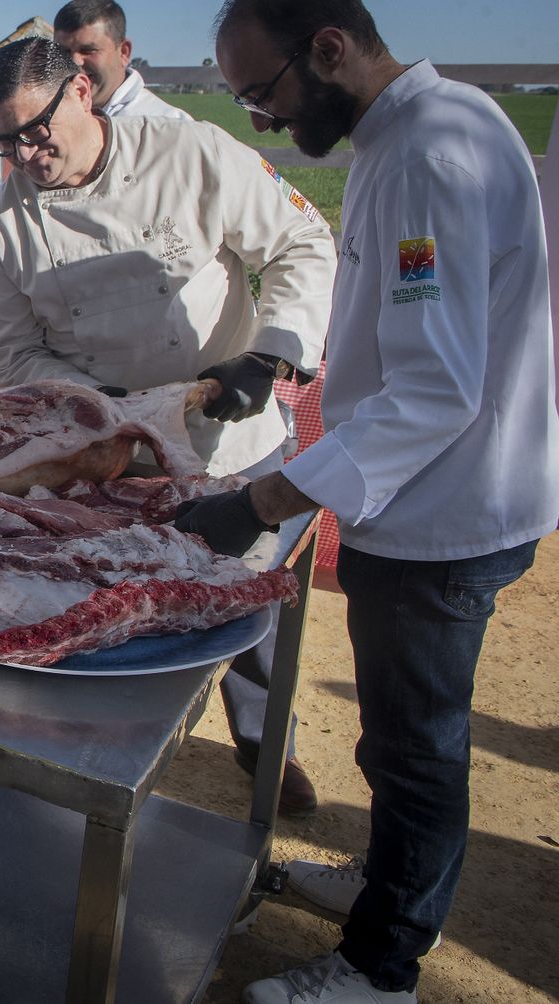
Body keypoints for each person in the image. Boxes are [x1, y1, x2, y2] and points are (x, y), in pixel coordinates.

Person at [197, 2, 559, 1001]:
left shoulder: (423, 158)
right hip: (444, 492)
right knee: (397, 731)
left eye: (261, 92)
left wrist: (267, 495)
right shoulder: (439, 124)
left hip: (446, 511)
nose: (261, 121)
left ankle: (380, 963)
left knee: (417, 745)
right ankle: (380, 877)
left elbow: (434, 390)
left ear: (329, 47)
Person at [0, 37, 336, 814]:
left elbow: (302, 242)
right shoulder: (3, 221)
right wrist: (93, 400)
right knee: (115, 607)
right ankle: (106, 759)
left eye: (36, 130)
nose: (26, 155)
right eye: (5, 140)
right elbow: (10, 348)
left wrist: (267, 355)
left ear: (81, 90)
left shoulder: (189, 151)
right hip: (106, 453)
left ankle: (266, 741)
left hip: (228, 430)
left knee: (246, 605)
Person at [53, 0, 190, 120]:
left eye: (88, 50)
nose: (75, 61)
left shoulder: (169, 126)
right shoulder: (46, 118)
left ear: (124, 52)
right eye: (64, 52)